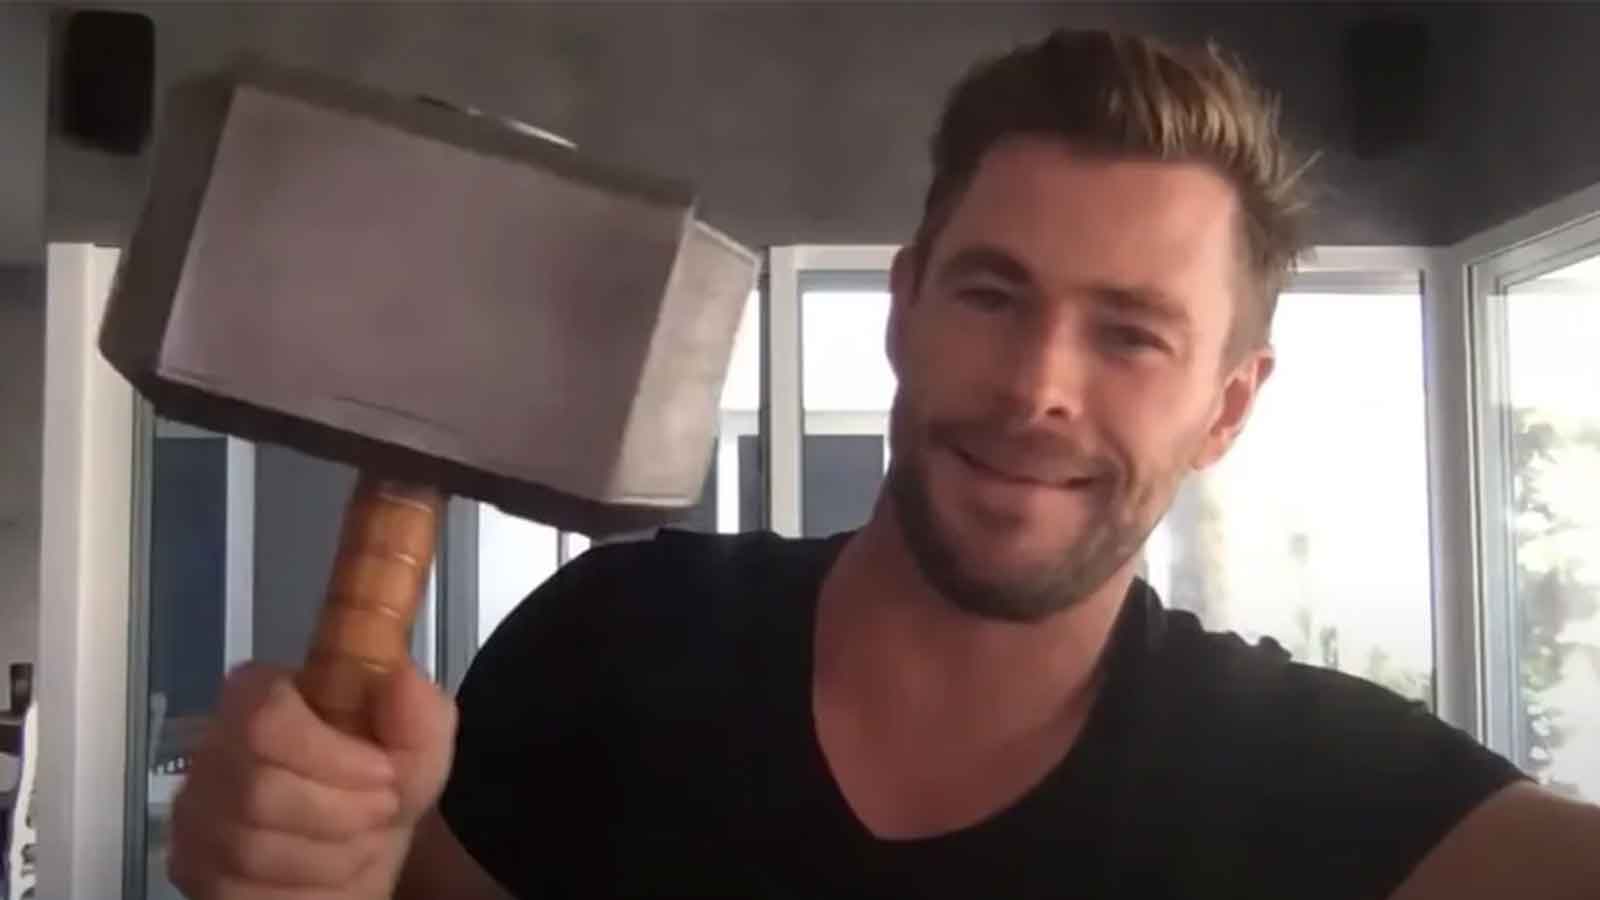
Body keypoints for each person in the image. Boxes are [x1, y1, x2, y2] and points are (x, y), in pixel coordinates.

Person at [168, 28, 1600, 900]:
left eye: (1131, 335)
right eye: (992, 294)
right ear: (905, 306)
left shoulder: (1300, 787)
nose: (1038, 387)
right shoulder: (610, 644)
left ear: (1228, 409)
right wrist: (318, 852)